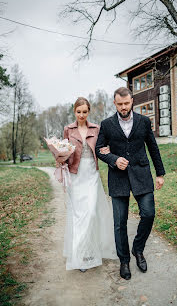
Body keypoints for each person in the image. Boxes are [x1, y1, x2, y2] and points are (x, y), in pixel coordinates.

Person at [95, 87, 165, 280]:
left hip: (142, 175)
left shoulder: (143, 121)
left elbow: (153, 147)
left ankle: (138, 249)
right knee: (119, 224)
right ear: (115, 103)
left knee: (149, 214)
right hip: (118, 179)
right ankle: (124, 260)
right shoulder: (107, 124)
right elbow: (99, 149)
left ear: (132, 101)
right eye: (120, 104)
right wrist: (114, 159)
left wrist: (160, 173)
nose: (124, 107)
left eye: (126, 103)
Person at [62, 97, 117, 272]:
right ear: (74, 111)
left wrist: (108, 151)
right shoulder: (68, 130)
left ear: (89, 112)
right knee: (79, 217)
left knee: (92, 214)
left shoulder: (96, 128)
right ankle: (81, 256)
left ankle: (94, 249)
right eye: (79, 111)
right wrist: (60, 158)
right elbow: (62, 151)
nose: (82, 115)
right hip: (75, 176)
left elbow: (102, 147)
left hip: (92, 174)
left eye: (85, 111)